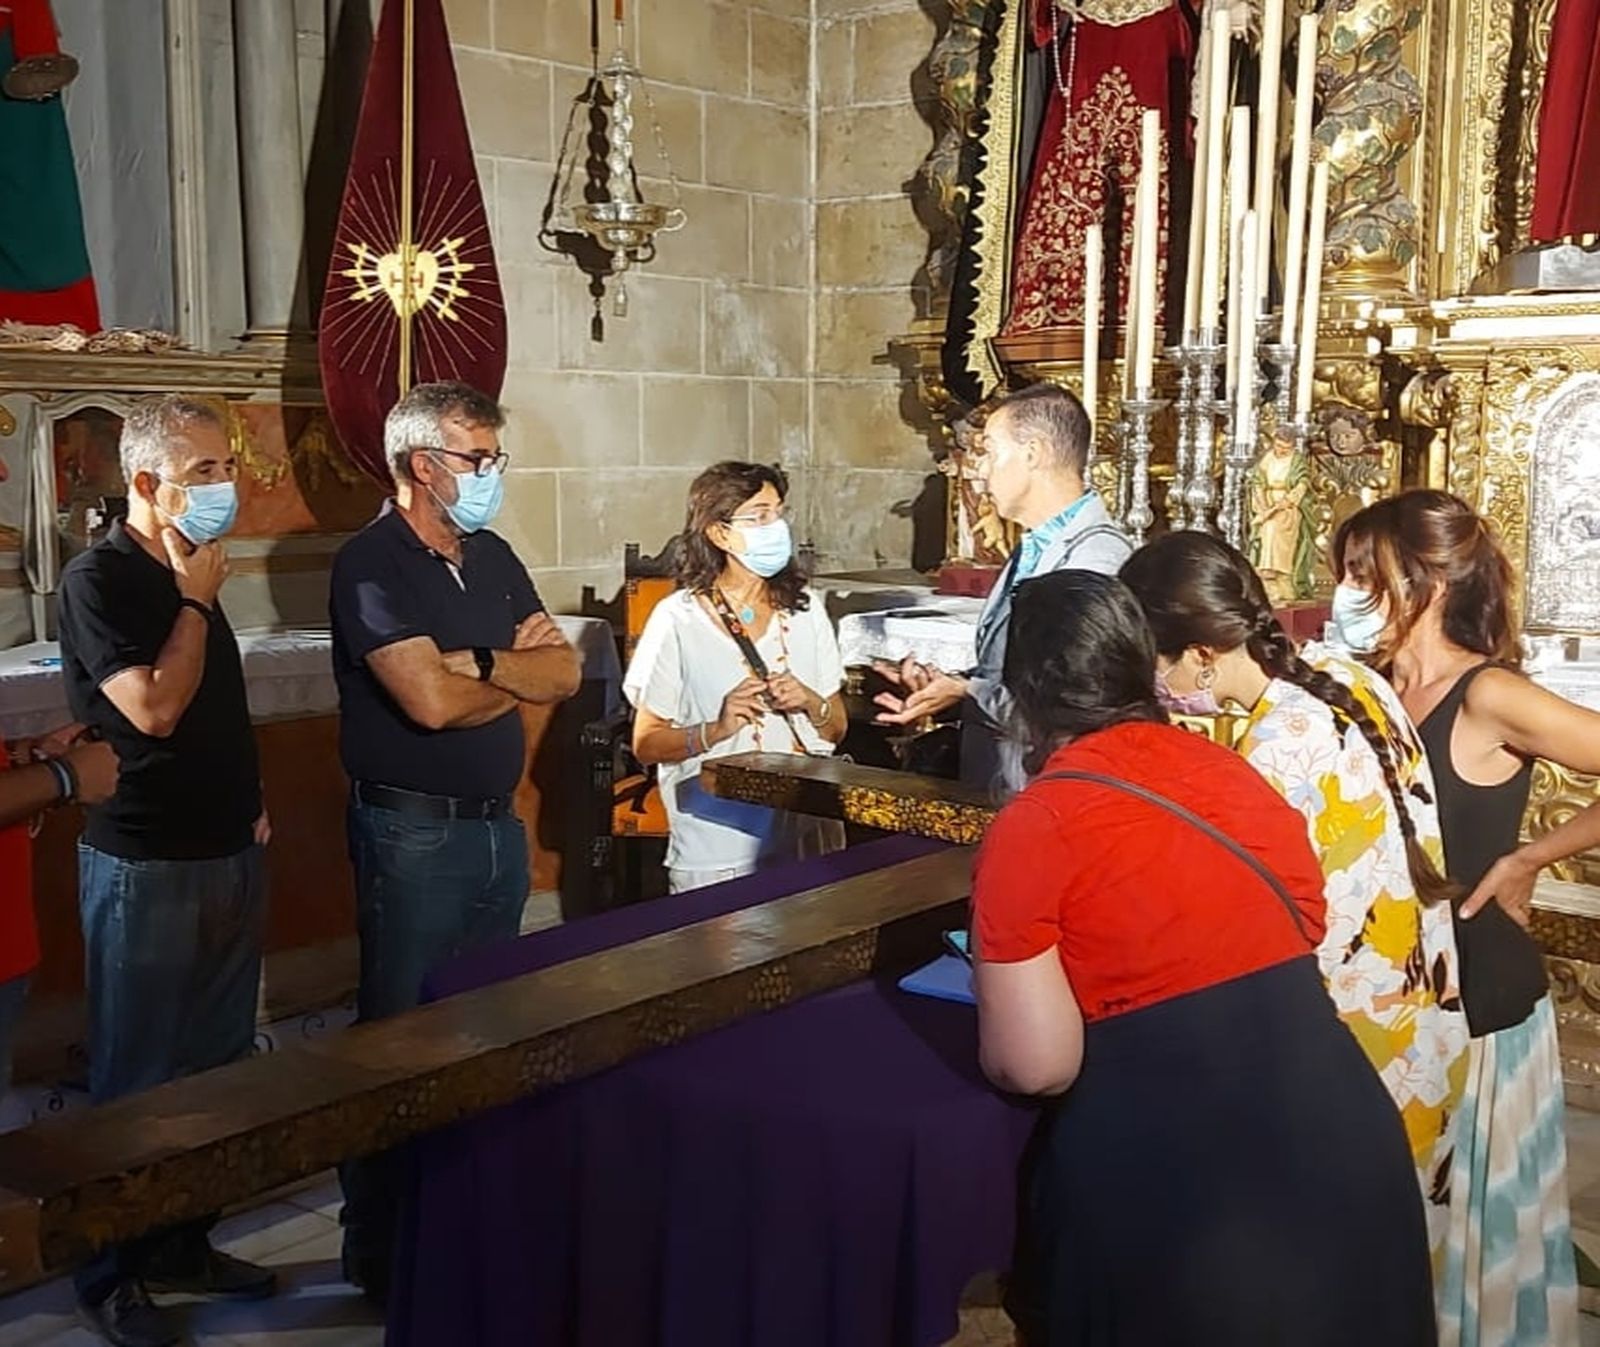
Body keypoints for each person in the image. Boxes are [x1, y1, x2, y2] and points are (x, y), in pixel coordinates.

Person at [971, 568, 1435, 1346]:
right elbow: (1306, 918)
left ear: (1024, 697)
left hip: (1180, 1188)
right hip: (1342, 1144)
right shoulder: (1235, 771)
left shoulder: (1039, 822)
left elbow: (1035, 1063)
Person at [1121, 530, 1469, 1267]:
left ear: (1201, 654)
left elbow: (1253, 918)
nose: (1156, 684)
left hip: (1351, 1045)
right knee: (1400, 1265)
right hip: (1421, 1013)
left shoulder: (1278, 747)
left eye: (1154, 661)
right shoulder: (1347, 675)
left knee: (1343, 1271)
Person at [329, 380, 580, 1300]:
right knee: (400, 1039)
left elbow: (565, 670)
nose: (490, 474)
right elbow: (428, 703)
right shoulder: (371, 563)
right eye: (476, 459)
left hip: (494, 829)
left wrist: (476, 662)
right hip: (413, 835)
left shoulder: (492, 552)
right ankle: (380, 1245)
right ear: (420, 464)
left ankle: (459, 1226)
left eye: (493, 457)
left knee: (482, 1032)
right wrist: (512, 675)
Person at [1337, 490, 1587, 1346]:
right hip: (1386, 999)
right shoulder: (1368, 684)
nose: (1348, 589)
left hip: (1479, 998)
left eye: (1364, 571)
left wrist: (1531, 856)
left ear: (1429, 581)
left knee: (1474, 1242)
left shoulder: (1489, 693)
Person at [57, 395, 274, 1347]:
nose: (226, 487)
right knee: (137, 1080)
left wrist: (250, 798)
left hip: (228, 847)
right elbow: (152, 708)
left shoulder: (196, 567)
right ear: (147, 481)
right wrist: (192, 601)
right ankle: (110, 1271)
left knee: (215, 1072)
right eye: (205, 472)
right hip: (145, 860)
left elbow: (219, 707)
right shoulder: (102, 578)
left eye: (227, 467)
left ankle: (182, 1240)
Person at [874, 382, 1130, 791]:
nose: (980, 470)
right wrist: (949, 686)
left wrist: (967, 690)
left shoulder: (1096, 557)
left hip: (1046, 784)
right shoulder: (1031, 545)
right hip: (1002, 774)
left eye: (990, 452)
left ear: (1033, 453)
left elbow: (1072, 699)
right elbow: (1010, 668)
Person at [625, 461, 847, 893]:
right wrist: (717, 728)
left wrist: (809, 701)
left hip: (802, 829)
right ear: (719, 533)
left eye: (779, 513)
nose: (776, 526)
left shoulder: (806, 609)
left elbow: (835, 728)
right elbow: (647, 744)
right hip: (717, 837)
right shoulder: (678, 619)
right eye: (759, 516)